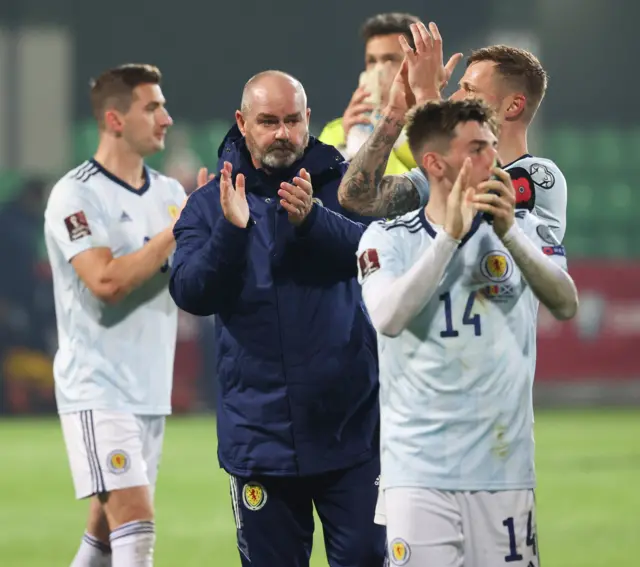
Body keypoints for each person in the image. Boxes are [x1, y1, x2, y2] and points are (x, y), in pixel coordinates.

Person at [169, 70, 385, 567]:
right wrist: (229, 230)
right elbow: (190, 291)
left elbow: (379, 254)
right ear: (243, 123)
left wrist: (314, 220)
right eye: (268, 122)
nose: (282, 133)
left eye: (292, 120)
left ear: (309, 120)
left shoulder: (344, 186)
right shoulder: (207, 207)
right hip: (259, 440)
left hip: (349, 434)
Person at [356, 98, 578, 566]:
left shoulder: (527, 229)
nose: (493, 159)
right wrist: (449, 240)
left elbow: (565, 302)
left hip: (506, 473)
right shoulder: (388, 238)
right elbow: (388, 318)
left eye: (493, 145)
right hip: (419, 476)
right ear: (435, 162)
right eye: (477, 148)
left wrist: (511, 234)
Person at [44, 63, 187, 567]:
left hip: (150, 387)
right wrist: (182, 231)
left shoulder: (171, 195)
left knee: (104, 538)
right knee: (135, 524)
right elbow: (104, 281)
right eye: (152, 107)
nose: (166, 118)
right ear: (115, 119)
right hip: (98, 387)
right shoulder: (76, 194)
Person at [338, 21, 567, 242]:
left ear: (513, 106)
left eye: (469, 90)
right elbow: (356, 197)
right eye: (458, 87)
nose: (454, 98)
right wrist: (396, 112)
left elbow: (480, 232)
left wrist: (427, 93)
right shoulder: (440, 174)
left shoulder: (538, 176)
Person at [318, 12, 442, 175]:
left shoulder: (441, 126)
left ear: (417, 64)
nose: (379, 70)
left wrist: (392, 133)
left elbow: (440, 179)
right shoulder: (336, 132)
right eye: (372, 61)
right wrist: (347, 145)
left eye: (390, 60)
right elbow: (317, 192)